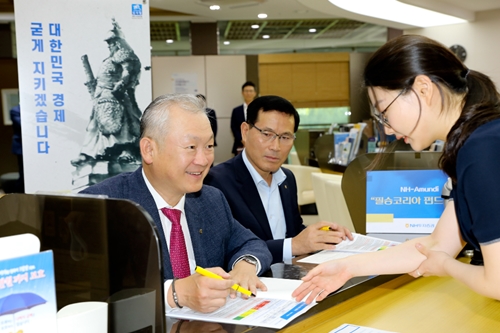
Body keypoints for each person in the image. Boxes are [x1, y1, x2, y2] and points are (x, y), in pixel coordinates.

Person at [293, 35, 500, 304]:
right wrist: (347, 267)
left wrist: (447, 266)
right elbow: (437, 245)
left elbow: (496, 282)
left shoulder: (482, 148)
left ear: (423, 89)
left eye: (384, 112)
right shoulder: (474, 143)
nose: (387, 129)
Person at [80, 94, 272, 313]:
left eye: (209, 146)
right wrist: (174, 294)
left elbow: (252, 243)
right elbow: (85, 291)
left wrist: (245, 265)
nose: (203, 159)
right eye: (191, 147)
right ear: (149, 150)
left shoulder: (211, 200)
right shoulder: (104, 207)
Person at [205, 95, 353, 265]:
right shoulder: (216, 184)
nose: (275, 147)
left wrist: (324, 235)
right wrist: (294, 245)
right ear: (245, 131)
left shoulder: (287, 179)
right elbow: (224, 251)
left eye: (285, 137)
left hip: (289, 279)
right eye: (267, 134)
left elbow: (293, 232)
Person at [72, 18, 142, 167]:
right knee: (93, 126)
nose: (109, 45)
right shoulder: (108, 59)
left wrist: (120, 86)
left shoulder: (124, 53)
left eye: (111, 42)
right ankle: (87, 153)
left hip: (116, 95)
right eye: (108, 42)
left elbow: (127, 72)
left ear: (117, 41)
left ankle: (126, 151)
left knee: (124, 125)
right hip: (101, 96)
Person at [230, 81, 257, 155]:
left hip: (257, 143)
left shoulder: (259, 110)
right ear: (242, 93)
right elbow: (234, 127)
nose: (248, 93)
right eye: (246, 91)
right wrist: (242, 140)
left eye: (251, 91)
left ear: (255, 93)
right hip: (240, 144)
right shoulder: (236, 110)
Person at [10, 104, 24, 193]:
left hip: (36, 147)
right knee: (23, 174)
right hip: (21, 147)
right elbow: (22, 125)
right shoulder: (15, 110)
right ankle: (17, 195)